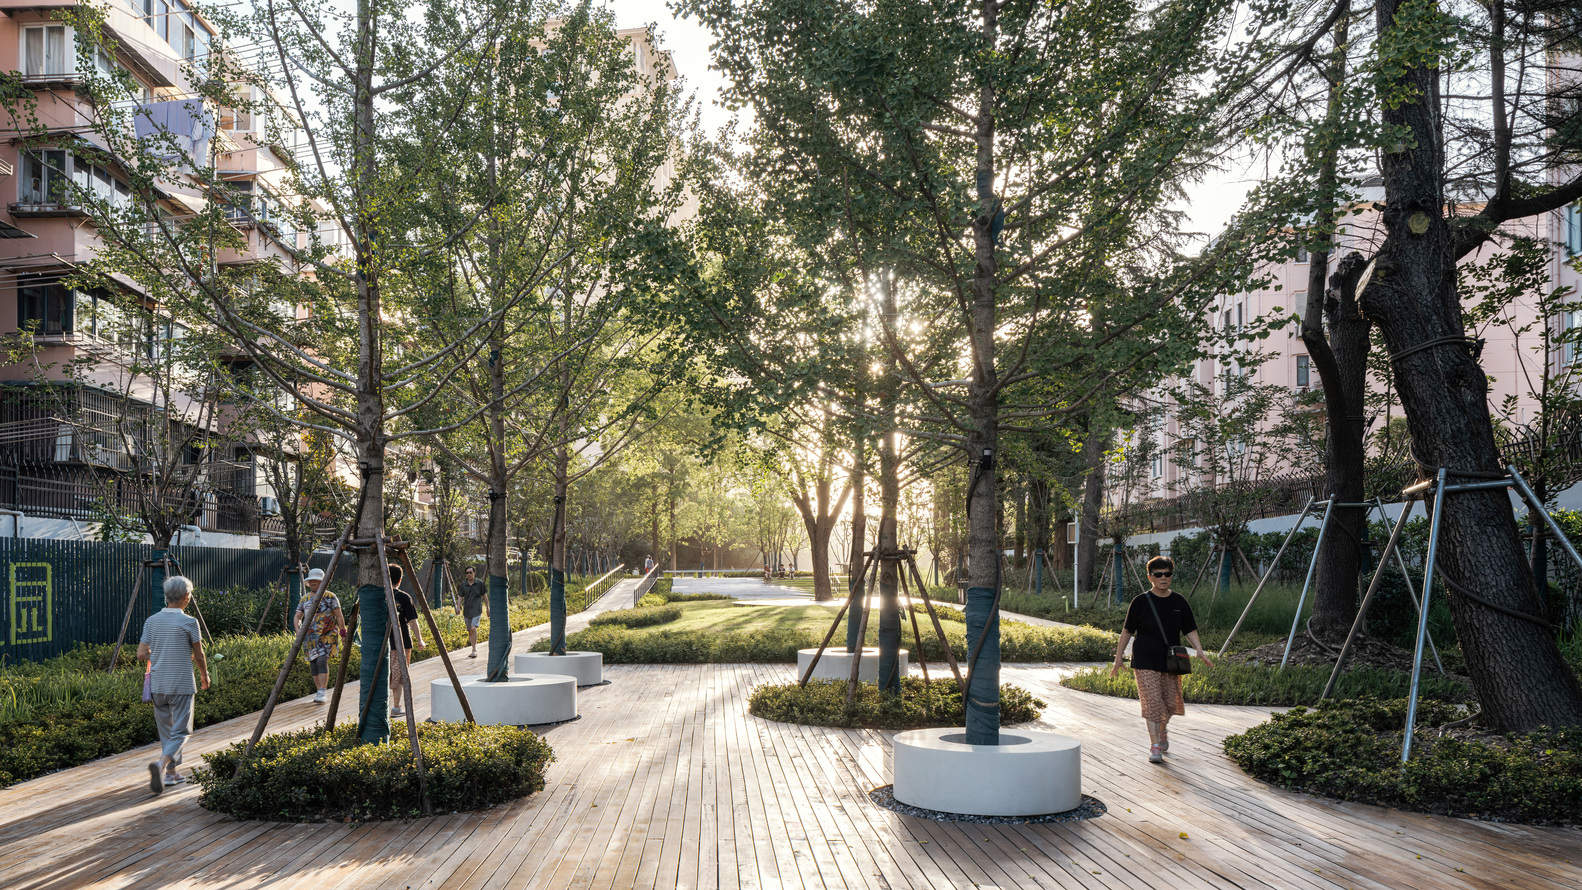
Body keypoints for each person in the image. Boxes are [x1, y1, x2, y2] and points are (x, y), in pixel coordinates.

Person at [1110, 555, 1213, 763]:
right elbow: (1127, 631)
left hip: (1170, 660)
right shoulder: (1140, 602)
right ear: (1150, 577)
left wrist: (1199, 650)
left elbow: (1190, 629)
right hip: (1144, 660)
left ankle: (1162, 729)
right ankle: (1155, 745)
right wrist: (1118, 658)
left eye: (1167, 574)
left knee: (1170, 704)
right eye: (1158, 574)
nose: (1163, 578)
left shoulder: (1179, 601)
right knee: (1152, 703)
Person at [138, 575, 209, 794]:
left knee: (167, 731)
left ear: (167, 596)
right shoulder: (189, 622)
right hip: (181, 684)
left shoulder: (151, 621)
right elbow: (199, 655)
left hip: (158, 685)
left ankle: (171, 774)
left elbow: (141, 654)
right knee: (182, 731)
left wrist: (160, 654)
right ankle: (161, 764)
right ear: (186, 596)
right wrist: (204, 675)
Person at [293, 567, 345, 703]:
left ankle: (322, 690)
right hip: (310, 638)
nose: (313, 583)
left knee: (322, 660)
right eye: (311, 581)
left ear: (322, 582)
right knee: (313, 663)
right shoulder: (305, 599)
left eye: (316, 580)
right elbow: (297, 616)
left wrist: (343, 632)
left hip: (327, 635)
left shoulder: (330, 597)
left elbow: (339, 615)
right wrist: (298, 631)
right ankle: (318, 691)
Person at [385, 563, 425, 718]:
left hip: (384, 643)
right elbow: (413, 621)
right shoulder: (404, 597)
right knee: (400, 675)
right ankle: (395, 708)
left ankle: (392, 706)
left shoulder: (379, 596)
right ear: (400, 579)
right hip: (401, 642)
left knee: (393, 674)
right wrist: (420, 640)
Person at [456, 566, 487, 658]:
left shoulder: (480, 583)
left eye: (470, 572)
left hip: (477, 610)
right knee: (470, 630)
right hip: (467, 611)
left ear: (474, 573)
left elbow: (485, 596)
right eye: (467, 573)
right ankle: (473, 648)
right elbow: (460, 597)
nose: (469, 574)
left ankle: (474, 650)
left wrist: (488, 608)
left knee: (473, 628)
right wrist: (458, 607)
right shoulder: (463, 585)